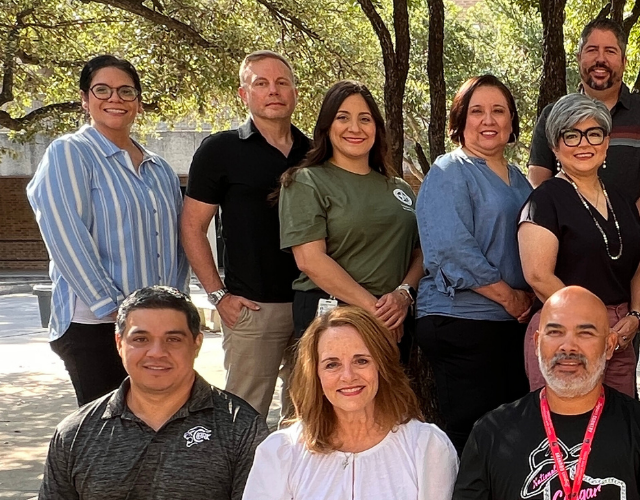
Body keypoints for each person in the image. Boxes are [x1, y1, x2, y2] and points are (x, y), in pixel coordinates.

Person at [28, 55, 190, 406]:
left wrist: (174, 307)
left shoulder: (158, 168)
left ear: (139, 102)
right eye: (102, 90)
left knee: (160, 427)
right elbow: (65, 237)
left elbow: (177, 244)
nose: (115, 99)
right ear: (85, 99)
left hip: (155, 328)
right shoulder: (70, 154)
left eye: (126, 91)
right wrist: (117, 309)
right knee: (107, 439)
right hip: (97, 326)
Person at [453, 286, 640, 500]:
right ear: (536, 344)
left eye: (585, 333)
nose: (568, 346)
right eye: (555, 332)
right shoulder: (492, 433)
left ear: (609, 345)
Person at [40, 286, 267, 500]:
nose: (157, 352)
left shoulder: (242, 428)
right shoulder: (74, 434)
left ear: (196, 343)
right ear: (119, 343)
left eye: (173, 339)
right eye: (141, 339)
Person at [182, 50, 310, 421]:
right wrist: (218, 294)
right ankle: (239, 482)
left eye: (282, 82)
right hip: (253, 309)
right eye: (261, 83)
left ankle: (294, 482)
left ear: (295, 92)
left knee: (305, 416)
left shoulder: (315, 152)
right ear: (244, 94)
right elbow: (192, 226)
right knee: (243, 416)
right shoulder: (220, 150)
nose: (273, 91)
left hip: (311, 304)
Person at [415, 74, 534, 453]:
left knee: (511, 437)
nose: (489, 120)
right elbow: (451, 250)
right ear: (460, 121)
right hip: (462, 322)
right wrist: (510, 299)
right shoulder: (450, 171)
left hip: (509, 325)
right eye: (477, 111)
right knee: (475, 438)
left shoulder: (520, 181)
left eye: (499, 111)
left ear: (512, 121)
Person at [244, 306, 457, 499]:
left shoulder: (426, 446)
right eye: (332, 364)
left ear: (382, 367)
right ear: (315, 375)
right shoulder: (281, 451)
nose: (348, 376)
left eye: (361, 361)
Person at [519, 93, 640, 398]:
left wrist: (636, 316)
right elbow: (538, 275)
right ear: (555, 146)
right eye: (572, 135)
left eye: (594, 133)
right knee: (562, 428)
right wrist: (593, 322)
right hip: (563, 333)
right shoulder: (544, 200)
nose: (584, 144)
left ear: (606, 142)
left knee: (618, 427)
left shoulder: (622, 200)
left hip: (620, 334)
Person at [277, 80, 420, 355]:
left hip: (395, 317)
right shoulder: (306, 181)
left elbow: (420, 252)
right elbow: (310, 260)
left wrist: (403, 295)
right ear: (327, 126)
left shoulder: (399, 187)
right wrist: (374, 311)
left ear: (377, 129)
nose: (355, 128)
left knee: (389, 398)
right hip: (332, 314)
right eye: (343, 117)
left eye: (364, 119)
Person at [527, 18, 640, 225]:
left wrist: (622, 231)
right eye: (592, 50)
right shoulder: (551, 115)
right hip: (565, 245)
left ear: (624, 61)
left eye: (610, 51)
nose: (601, 59)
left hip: (630, 249)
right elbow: (537, 182)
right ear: (579, 58)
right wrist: (570, 231)